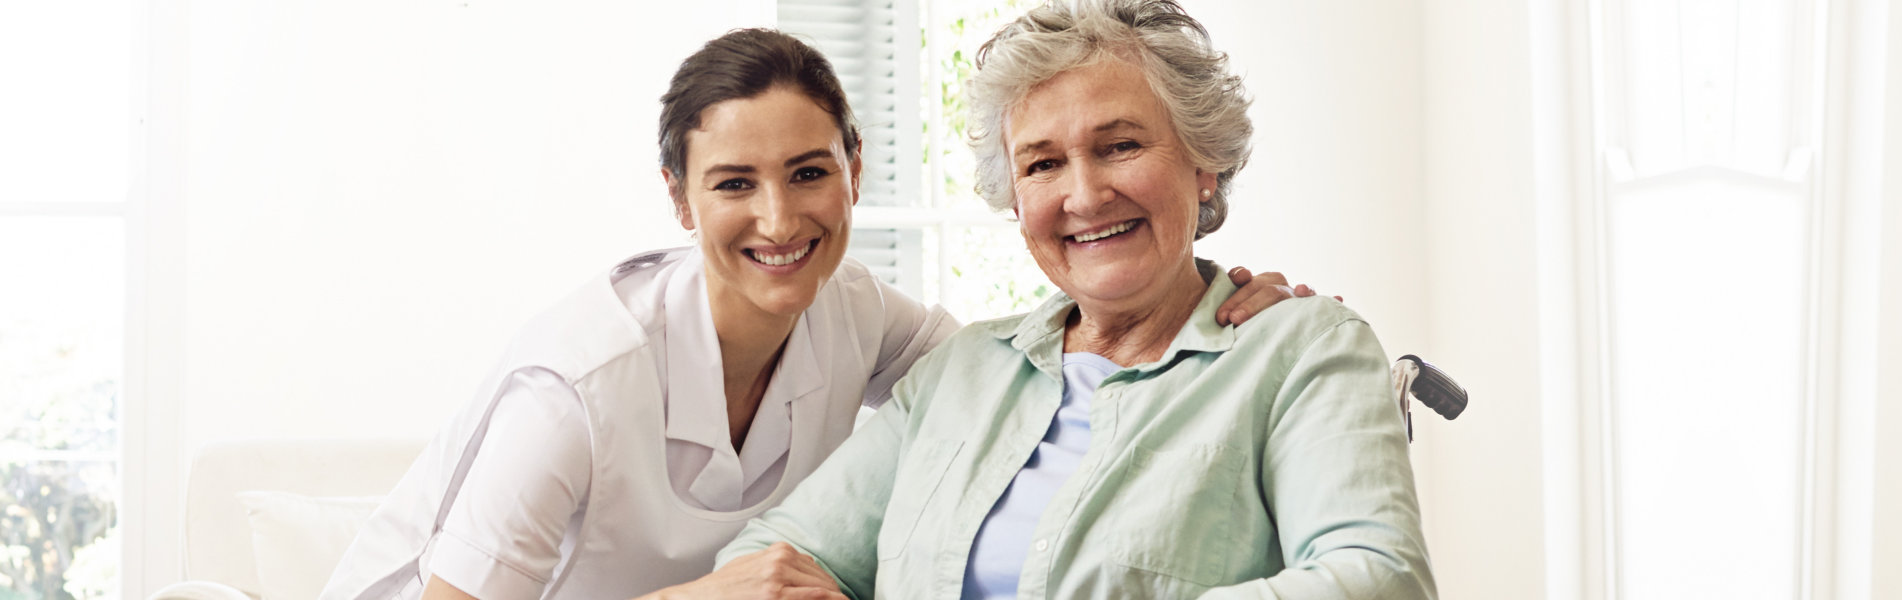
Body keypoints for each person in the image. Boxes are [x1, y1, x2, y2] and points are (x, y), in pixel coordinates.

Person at [321, 27, 1314, 600]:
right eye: (733, 185)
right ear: (678, 200)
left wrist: (1223, 306)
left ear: (856, 172)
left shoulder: (857, 313)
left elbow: (1026, 369)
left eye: (808, 174)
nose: (778, 219)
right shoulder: (573, 389)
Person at [703, 1, 1436, 598]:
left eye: (1120, 146)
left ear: (1202, 162)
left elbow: (1377, 578)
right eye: (1043, 163)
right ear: (1016, 197)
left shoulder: (1302, 349)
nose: (1084, 196)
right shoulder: (958, 372)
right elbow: (770, 558)